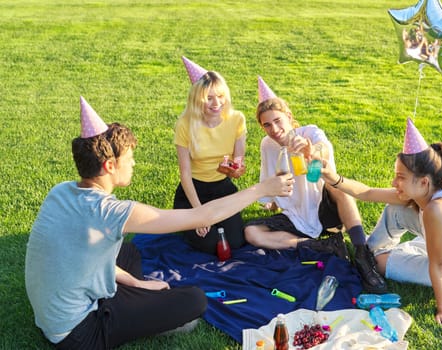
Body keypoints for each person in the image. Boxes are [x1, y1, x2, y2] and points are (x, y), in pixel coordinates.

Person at [24, 96, 293, 350]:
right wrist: (262, 189)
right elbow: (203, 217)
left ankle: (134, 299)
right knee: (194, 300)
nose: (134, 163)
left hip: (55, 312)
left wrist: (139, 285)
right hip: (79, 333)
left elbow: (85, 254)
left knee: (128, 252)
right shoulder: (109, 212)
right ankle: (140, 312)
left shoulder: (61, 191)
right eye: (129, 159)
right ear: (109, 166)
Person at [321, 118, 442, 336]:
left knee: (380, 263)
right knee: (396, 208)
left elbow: (439, 265)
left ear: (423, 182)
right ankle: (366, 253)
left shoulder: (436, 211)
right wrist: (332, 177)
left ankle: (373, 258)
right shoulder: (431, 189)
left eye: (400, 177)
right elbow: (366, 193)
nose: (394, 183)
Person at [244, 77, 387, 294]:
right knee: (251, 232)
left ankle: (361, 253)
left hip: (325, 209)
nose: (274, 129)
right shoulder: (267, 145)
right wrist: (272, 203)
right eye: (267, 124)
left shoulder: (309, 133)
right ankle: (322, 246)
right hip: (295, 213)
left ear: (289, 118)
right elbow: (269, 176)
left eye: (278, 121)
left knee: (337, 186)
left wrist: (310, 150)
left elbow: (324, 150)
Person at [173, 56, 247, 254]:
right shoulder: (185, 124)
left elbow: (238, 165)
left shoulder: (236, 119)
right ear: (197, 100)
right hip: (193, 192)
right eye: (209, 98)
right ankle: (190, 222)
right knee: (211, 244)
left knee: (235, 243)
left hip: (222, 189)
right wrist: (199, 213)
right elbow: (185, 174)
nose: (217, 103)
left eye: (221, 96)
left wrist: (235, 169)